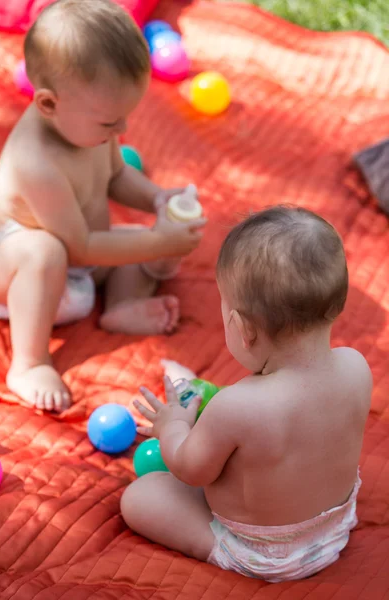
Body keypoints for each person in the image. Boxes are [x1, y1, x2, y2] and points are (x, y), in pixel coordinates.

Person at [121, 205, 372, 582]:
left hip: (265, 555)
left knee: (141, 496)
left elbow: (190, 469)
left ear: (242, 328)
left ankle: (225, 550)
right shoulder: (357, 367)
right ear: (336, 305)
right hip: (333, 532)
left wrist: (172, 427)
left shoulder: (237, 406)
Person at [0, 0, 205, 413]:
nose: (121, 130)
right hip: (16, 279)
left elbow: (118, 176)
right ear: (49, 104)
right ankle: (29, 362)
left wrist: (156, 198)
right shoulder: (35, 162)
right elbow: (81, 246)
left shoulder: (90, 126)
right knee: (45, 250)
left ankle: (120, 308)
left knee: (135, 243)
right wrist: (159, 243)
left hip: (78, 267)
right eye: (111, 123)